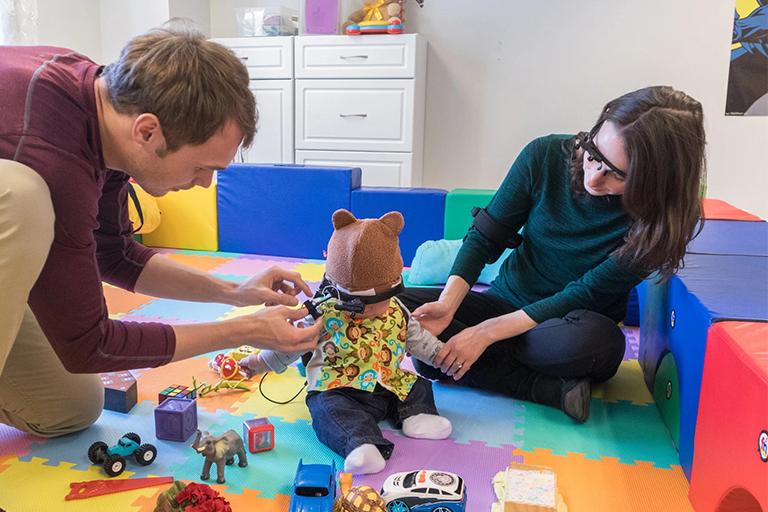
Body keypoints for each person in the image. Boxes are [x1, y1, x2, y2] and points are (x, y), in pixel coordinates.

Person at [0, 26, 321, 437]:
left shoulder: (108, 111)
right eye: (201, 167)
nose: (205, 183)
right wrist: (242, 330)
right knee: (20, 195)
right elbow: (89, 345)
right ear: (147, 131)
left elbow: (114, 254)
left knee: (68, 406)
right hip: (18, 195)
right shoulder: (51, 156)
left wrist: (235, 291)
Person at [399, 86, 706, 423]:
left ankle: (462, 360)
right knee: (399, 309)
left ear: (656, 181)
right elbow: (485, 236)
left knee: (591, 343)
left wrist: (482, 334)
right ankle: (545, 389)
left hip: (568, 327)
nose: (594, 177)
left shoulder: (662, 220)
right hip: (504, 303)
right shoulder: (543, 155)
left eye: (617, 174)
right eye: (594, 153)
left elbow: (585, 292)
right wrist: (447, 306)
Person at [240, 209, 451, 475]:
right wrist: (260, 362)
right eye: (356, 303)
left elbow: (419, 340)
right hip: (338, 389)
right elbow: (292, 345)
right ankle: (360, 446)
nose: (367, 310)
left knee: (417, 385)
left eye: (376, 303)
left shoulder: (398, 310)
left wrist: (441, 354)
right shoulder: (322, 313)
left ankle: (417, 415)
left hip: (387, 383)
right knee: (327, 410)